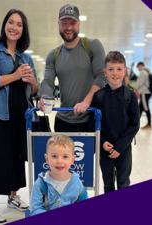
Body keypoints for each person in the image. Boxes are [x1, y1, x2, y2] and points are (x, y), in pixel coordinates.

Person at [0, 9, 38, 225]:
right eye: (11, 22)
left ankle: (13, 196)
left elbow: (33, 91)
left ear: (23, 31)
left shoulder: (26, 57)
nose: (14, 27)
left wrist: (32, 82)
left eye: (19, 24)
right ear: (4, 25)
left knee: (16, 158)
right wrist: (15, 75)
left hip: (20, 115)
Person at [39, 4, 106, 132]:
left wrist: (86, 102)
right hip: (63, 121)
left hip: (90, 119)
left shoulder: (92, 46)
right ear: (58, 24)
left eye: (72, 23)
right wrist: (45, 97)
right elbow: (48, 82)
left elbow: (101, 76)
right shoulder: (53, 55)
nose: (68, 27)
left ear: (79, 24)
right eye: (64, 23)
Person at [91, 51, 140, 193]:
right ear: (104, 72)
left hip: (123, 148)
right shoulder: (98, 96)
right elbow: (92, 122)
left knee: (123, 182)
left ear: (125, 71)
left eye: (119, 69)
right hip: (105, 148)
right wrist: (102, 142)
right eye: (111, 69)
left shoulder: (130, 96)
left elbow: (134, 124)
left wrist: (119, 147)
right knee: (108, 183)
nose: (115, 73)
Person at [29, 134, 87, 216]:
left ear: (72, 160)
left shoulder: (78, 184)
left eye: (65, 157)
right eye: (54, 156)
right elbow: (35, 209)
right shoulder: (41, 183)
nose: (59, 161)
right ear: (47, 159)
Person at [134, 61, 152, 129]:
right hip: (146, 92)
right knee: (140, 108)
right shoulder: (147, 72)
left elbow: (139, 83)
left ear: (141, 66)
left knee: (145, 108)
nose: (138, 69)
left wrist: (135, 88)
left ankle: (149, 124)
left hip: (145, 92)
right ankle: (135, 123)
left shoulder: (142, 72)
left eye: (138, 67)